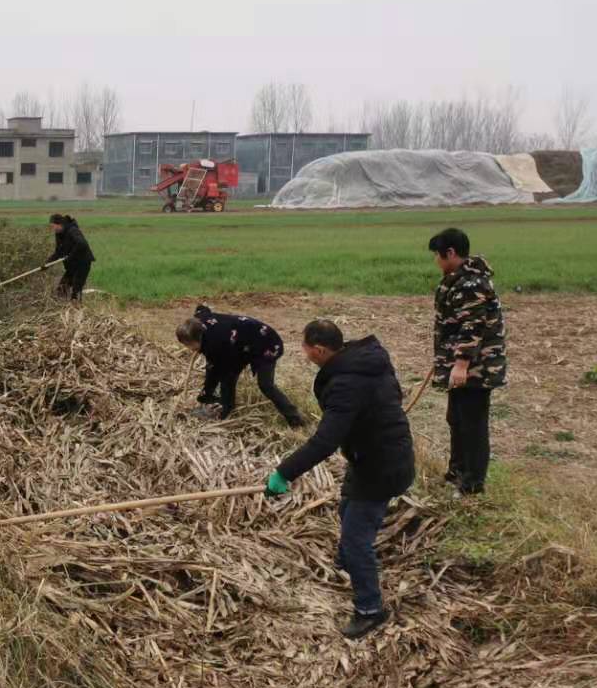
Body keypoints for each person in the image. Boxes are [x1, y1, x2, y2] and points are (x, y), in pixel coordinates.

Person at [266, 320, 415, 640]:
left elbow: (324, 442)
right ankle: (348, 561)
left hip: (380, 465)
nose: (304, 354)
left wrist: (284, 472)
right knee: (348, 506)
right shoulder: (366, 360)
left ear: (320, 350)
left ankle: (370, 609)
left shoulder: (347, 383)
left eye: (305, 348)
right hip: (374, 454)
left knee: (356, 538)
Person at [429, 228, 506, 496]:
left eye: (437, 256)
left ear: (450, 253)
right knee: (456, 419)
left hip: (477, 368)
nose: (436, 261)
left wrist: (460, 364)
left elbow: (472, 326)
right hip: (459, 365)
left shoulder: (471, 284)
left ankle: (472, 485)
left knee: (473, 425)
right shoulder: (456, 280)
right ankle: (457, 472)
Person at [176, 305, 305, 426]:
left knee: (265, 385)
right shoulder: (199, 320)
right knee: (228, 375)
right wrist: (205, 394)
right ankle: (224, 408)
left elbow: (213, 372)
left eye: (189, 345)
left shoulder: (214, 344)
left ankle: (295, 419)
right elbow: (202, 308)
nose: (189, 349)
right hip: (242, 346)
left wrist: (205, 395)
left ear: (198, 338)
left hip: (266, 345)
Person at [47, 213, 94, 301]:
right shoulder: (59, 234)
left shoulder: (73, 230)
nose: (52, 229)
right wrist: (47, 264)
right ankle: (62, 307)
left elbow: (82, 244)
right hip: (72, 265)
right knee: (62, 288)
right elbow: (58, 252)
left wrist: (70, 256)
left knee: (76, 290)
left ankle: (77, 308)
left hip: (82, 263)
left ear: (59, 224)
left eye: (53, 226)